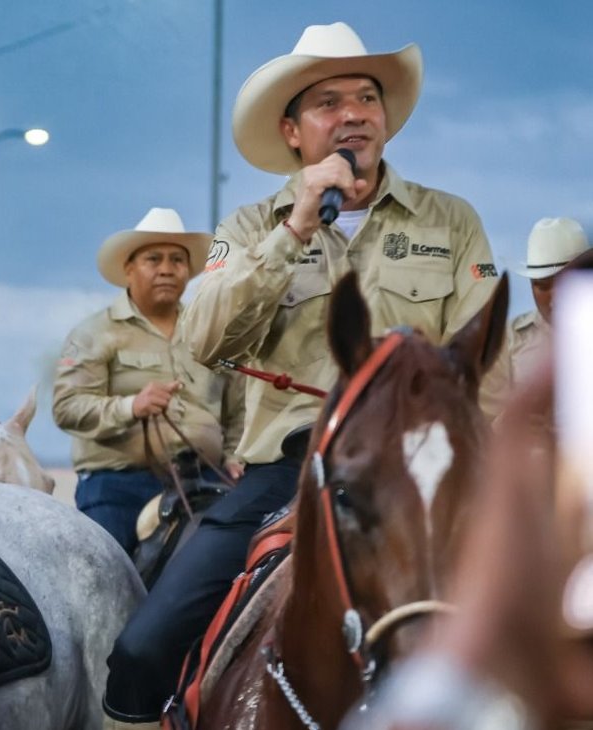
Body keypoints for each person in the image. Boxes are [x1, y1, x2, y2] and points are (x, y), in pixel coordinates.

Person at [100, 23, 500, 729]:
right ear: (291, 131)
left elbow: (480, 368)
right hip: (286, 474)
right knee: (141, 649)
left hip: (422, 482)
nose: (353, 113)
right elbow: (202, 335)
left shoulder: (452, 222)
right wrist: (291, 234)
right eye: (329, 101)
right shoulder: (248, 226)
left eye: (366, 98)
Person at [52, 208, 244, 555]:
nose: (167, 269)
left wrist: (233, 457)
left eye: (177, 260)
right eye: (153, 259)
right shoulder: (95, 333)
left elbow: (238, 408)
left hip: (206, 480)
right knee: (105, 576)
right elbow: (67, 408)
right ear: (129, 269)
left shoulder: (208, 335)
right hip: (118, 486)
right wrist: (131, 406)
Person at [480, 217, 589, 417]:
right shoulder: (507, 340)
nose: (555, 295)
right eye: (543, 285)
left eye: (563, 281)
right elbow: (487, 423)